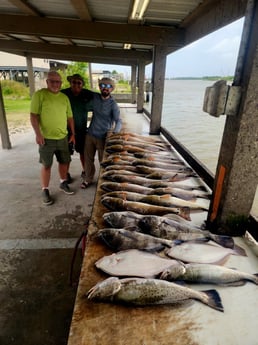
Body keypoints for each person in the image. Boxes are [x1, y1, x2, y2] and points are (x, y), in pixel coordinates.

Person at [30, 70, 75, 206]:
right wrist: (38, 134)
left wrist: (73, 133)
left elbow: (70, 117)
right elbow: (33, 116)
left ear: (61, 83)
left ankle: (63, 182)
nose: (56, 84)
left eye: (58, 82)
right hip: (46, 139)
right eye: (53, 81)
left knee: (64, 162)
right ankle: (45, 189)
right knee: (46, 165)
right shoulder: (40, 95)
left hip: (63, 137)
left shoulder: (64, 98)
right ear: (47, 82)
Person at [81, 77, 122, 189]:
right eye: (103, 85)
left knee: (103, 161)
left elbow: (118, 121)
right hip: (90, 134)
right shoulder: (95, 97)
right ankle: (88, 179)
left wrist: (115, 133)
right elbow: (83, 94)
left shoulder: (113, 104)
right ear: (99, 87)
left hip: (103, 137)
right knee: (88, 159)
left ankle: (104, 180)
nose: (105, 88)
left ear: (112, 89)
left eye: (108, 86)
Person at [61, 74, 94, 183]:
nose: (76, 85)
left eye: (79, 82)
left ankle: (85, 171)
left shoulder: (87, 93)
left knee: (83, 152)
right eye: (73, 82)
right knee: (66, 154)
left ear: (82, 84)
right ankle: (66, 174)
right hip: (66, 130)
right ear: (70, 83)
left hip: (81, 129)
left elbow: (101, 97)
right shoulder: (63, 94)